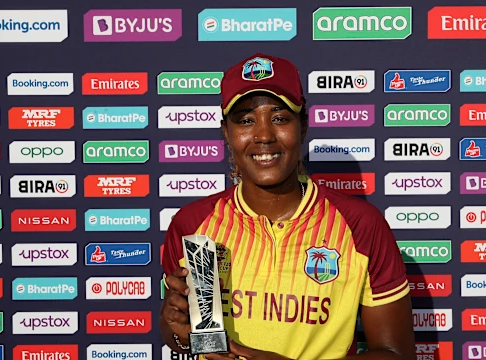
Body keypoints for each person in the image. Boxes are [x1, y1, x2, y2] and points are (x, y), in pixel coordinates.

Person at [160, 53, 415, 360]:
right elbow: (181, 338)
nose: (264, 136)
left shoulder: (360, 224)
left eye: (280, 118)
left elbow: (395, 354)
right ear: (226, 133)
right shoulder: (193, 223)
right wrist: (177, 329)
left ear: (303, 126)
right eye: (245, 120)